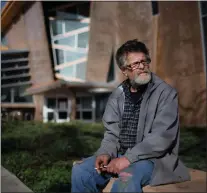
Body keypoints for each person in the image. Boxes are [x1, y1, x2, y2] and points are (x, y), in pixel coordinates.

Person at [71, 39, 190, 192]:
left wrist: (127, 159)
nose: (142, 67)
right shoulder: (117, 95)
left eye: (144, 61)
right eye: (135, 64)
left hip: (153, 158)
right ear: (124, 70)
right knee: (81, 172)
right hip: (120, 155)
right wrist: (105, 152)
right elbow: (111, 134)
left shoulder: (165, 94)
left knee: (126, 179)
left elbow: (161, 138)